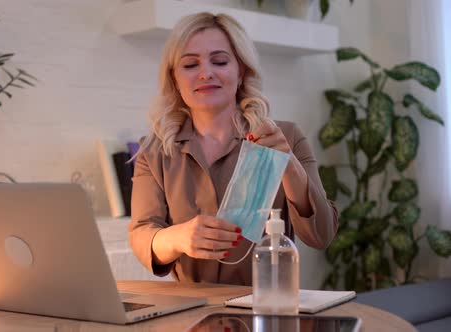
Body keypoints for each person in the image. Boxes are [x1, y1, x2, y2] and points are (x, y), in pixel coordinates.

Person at [128, 12, 338, 286]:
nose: (206, 73)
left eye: (220, 61)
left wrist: (288, 165)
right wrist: (177, 237)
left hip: (267, 308)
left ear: (241, 72)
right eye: (190, 65)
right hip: (191, 312)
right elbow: (143, 232)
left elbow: (321, 235)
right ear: (175, 80)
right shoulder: (154, 151)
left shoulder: (286, 136)